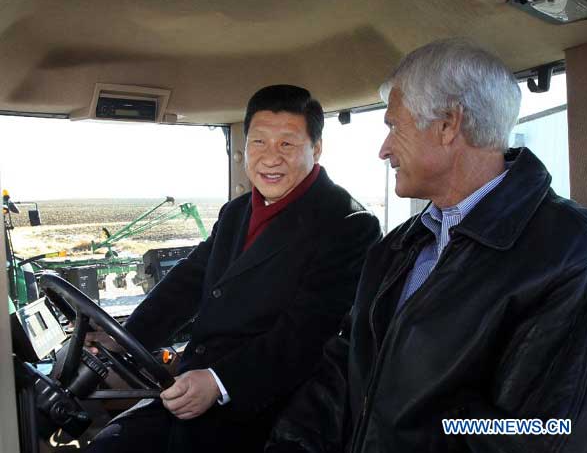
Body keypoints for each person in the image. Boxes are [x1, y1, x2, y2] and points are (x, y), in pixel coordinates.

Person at [266, 39, 587, 452]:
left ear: (448, 125)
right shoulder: (395, 249)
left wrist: (429, 417)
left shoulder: (574, 252)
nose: (383, 150)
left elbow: (542, 433)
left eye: (394, 127)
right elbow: (343, 370)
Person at [85, 85, 381, 452]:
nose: (270, 158)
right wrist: (126, 339)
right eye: (259, 142)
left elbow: (307, 334)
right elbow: (187, 283)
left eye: (287, 144)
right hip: (195, 381)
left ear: (316, 149)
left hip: (265, 407)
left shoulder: (348, 223)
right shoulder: (236, 212)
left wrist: (220, 381)